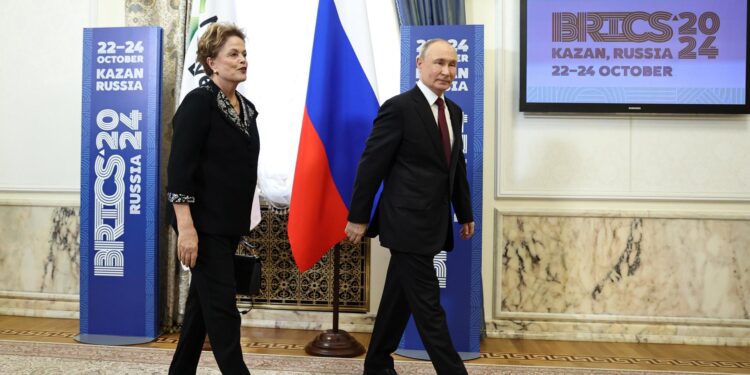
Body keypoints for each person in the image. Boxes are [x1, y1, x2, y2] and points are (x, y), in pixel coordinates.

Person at [345, 39, 475, 375]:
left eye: (452, 64)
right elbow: (371, 165)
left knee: (397, 300)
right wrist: (358, 217)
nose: (446, 71)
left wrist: (465, 212)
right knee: (430, 309)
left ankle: (376, 364)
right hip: (404, 224)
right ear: (419, 63)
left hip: (435, 222)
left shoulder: (455, 111)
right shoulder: (399, 108)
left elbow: (454, 167)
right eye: (438, 63)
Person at [167, 22, 259, 375]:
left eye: (244, 54)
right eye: (233, 54)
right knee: (222, 311)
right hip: (201, 224)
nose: (242, 60)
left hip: (227, 224)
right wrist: (186, 228)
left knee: (200, 310)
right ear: (212, 62)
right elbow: (179, 170)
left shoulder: (247, 109)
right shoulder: (198, 103)